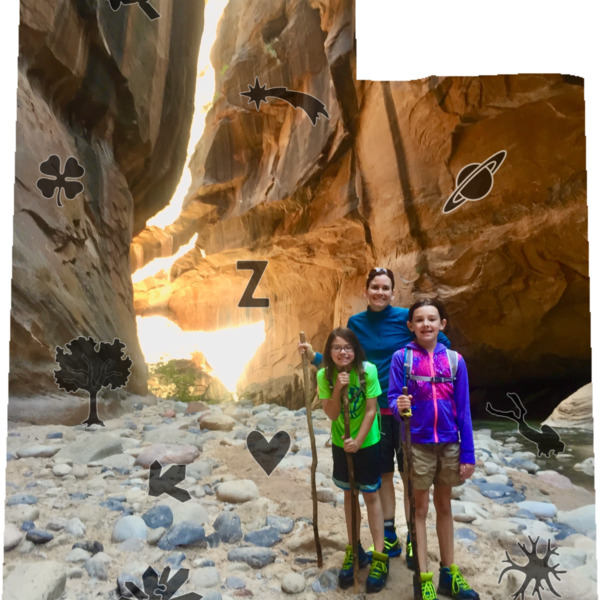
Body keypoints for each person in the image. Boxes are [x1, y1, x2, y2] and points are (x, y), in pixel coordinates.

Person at [299, 267, 450, 565]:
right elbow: (345, 355)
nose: (380, 292)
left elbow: (438, 343)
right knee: (383, 474)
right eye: (375, 287)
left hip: (405, 409)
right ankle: (390, 535)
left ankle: (414, 538)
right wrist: (315, 357)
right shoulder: (356, 323)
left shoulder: (405, 318)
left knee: (409, 474)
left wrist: (431, 374)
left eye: (385, 288)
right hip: (373, 411)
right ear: (366, 290)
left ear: (393, 292)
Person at [388, 299, 479, 600]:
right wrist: (399, 406)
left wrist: (468, 454)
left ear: (443, 324)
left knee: (444, 506)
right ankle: (423, 577)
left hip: (450, 444)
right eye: (419, 319)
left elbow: (463, 409)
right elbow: (393, 399)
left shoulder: (455, 361)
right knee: (420, 508)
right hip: (417, 444)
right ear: (410, 326)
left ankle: (448, 574)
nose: (426, 324)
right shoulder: (401, 359)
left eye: (432, 319)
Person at [317, 327, 389, 593]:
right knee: (349, 494)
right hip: (341, 443)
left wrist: (358, 440)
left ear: (355, 350)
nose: (343, 352)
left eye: (347, 347)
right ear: (330, 351)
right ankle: (354, 547)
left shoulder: (367, 371)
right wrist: (337, 388)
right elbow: (333, 414)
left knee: (371, 495)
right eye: (337, 347)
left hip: (366, 443)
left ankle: (379, 555)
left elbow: (371, 410)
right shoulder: (324, 375)